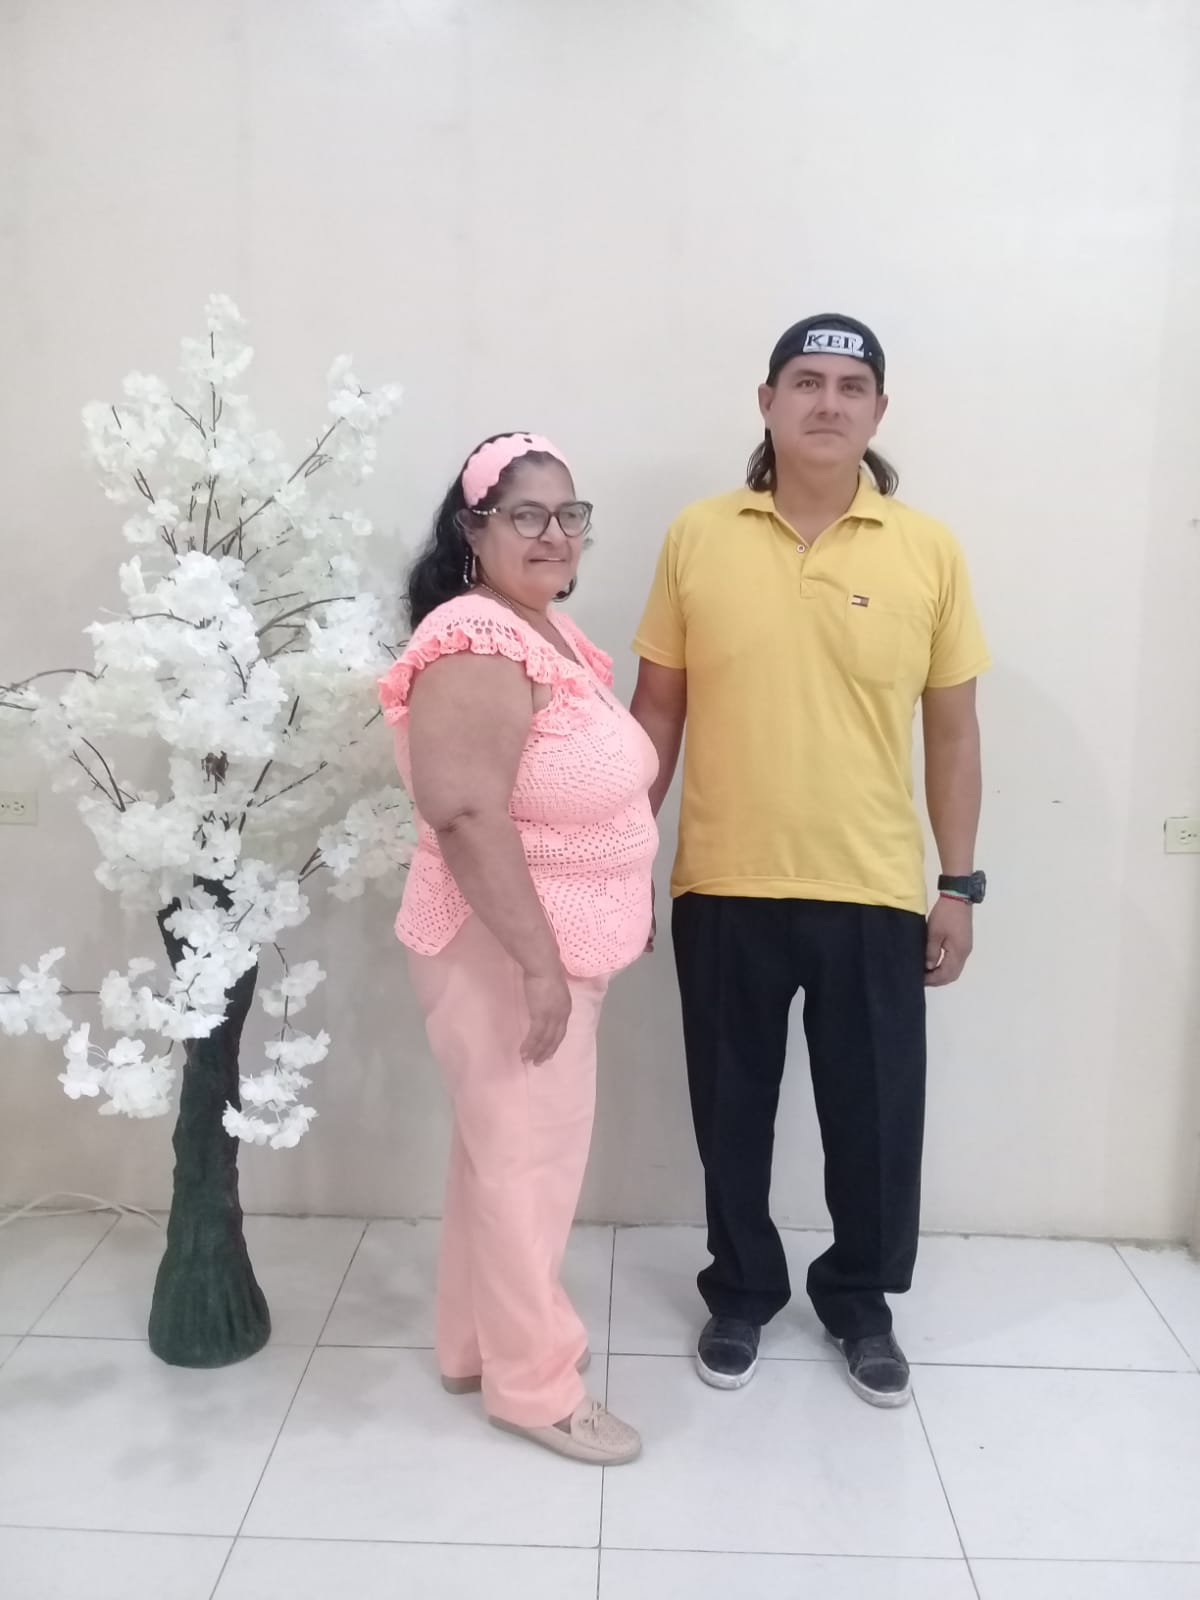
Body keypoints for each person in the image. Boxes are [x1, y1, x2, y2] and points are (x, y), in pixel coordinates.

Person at [630, 315, 989, 1408]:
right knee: (730, 1113)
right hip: (724, 880)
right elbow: (656, 709)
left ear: (878, 409)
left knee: (875, 1121)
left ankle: (859, 1302)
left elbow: (954, 732)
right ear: (767, 401)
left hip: (872, 887)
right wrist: (620, 859)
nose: (827, 402)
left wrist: (958, 884)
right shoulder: (698, 536)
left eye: (849, 385)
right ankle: (741, 1291)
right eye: (805, 381)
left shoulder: (927, 549)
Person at [379, 431, 656, 1464]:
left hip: (547, 946)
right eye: (525, 515)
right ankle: (537, 1387)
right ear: (474, 529)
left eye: (569, 515)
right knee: (527, 1168)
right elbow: (464, 813)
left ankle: (474, 1347)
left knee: (500, 1157)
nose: (553, 533)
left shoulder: (540, 632)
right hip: (504, 951)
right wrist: (539, 964)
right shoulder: (475, 642)